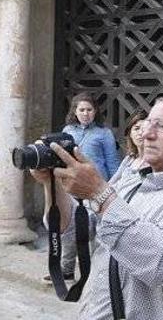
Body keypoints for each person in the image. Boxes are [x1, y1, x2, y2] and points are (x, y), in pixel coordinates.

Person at [35, 97, 163, 319]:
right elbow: (77, 230)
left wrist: (99, 193)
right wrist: (51, 185)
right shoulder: (133, 180)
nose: (147, 134)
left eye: (161, 126)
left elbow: (162, 263)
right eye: (148, 123)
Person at [46, 93, 122, 283]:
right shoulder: (68, 131)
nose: (86, 113)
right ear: (75, 111)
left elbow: (112, 162)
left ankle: (95, 274)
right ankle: (66, 270)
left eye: (89, 109)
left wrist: (113, 188)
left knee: (96, 232)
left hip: (96, 188)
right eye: (82, 110)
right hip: (71, 188)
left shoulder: (104, 134)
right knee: (69, 230)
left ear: (95, 111)